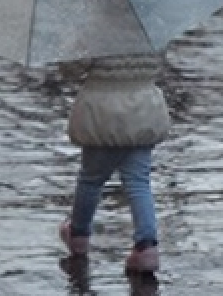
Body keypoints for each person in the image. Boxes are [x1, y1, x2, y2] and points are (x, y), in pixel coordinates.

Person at [58, 53, 170, 273]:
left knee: (91, 179)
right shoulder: (152, 24)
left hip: (102, 112)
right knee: (139, 182)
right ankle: (147, 247)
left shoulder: (94, 27)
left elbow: (71, 68)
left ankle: (79, 235)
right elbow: (160, 60)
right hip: (142, 110)